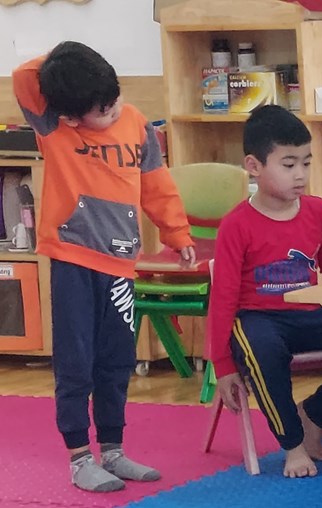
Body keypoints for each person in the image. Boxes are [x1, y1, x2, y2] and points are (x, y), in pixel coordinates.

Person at [12, 41, 196, 493]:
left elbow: (157, 186)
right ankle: (80, 457)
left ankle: (113, 449)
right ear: (72, 116)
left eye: (114, 98)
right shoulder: (55, 126)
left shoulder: (136, 123)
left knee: (116, 360)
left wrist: (177, 234)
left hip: (120, 263)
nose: (113, 110)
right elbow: (23, 77)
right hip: (73, 260)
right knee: (76, 362)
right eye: (101, 109)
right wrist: (65, 66)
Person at [207, 105, 322, 478]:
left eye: (306, 163)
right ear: (254, 166)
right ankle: (292, 445)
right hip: (257, 318)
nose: (301, 174)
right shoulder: (236, 225)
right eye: (288, 165)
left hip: (309, 312)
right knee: (265, 350)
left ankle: (314, 414)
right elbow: (222, 299)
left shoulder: (317, 211)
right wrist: (222, 365)